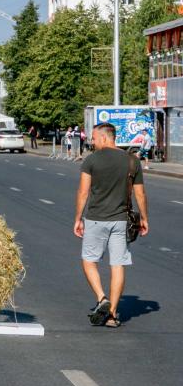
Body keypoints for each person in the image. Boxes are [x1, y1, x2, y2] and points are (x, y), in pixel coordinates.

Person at [74, 122, 149, 328]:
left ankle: (101, 298)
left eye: (94, 138)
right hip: (121, 220)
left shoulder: (91, 160)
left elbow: (83, 192)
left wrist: (78, 218)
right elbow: (140, 193)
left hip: (96, 218)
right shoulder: (132, 161)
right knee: (118, 265)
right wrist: (144, 218)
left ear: (105, 138)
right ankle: (113, 315)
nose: (92, 141)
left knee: (89, 260)